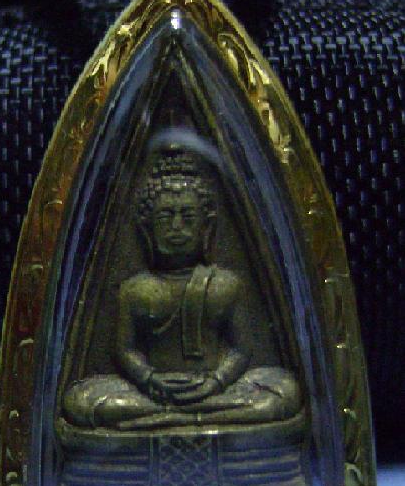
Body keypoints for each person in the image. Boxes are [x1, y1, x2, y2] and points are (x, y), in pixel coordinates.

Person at [62, 151, 302, 430]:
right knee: (79, 401)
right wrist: (149, 379)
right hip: (153, 392)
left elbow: (241, 348)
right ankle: (202, 417)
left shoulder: (225, 284)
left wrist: (216, 382)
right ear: (147, 229)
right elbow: (125, 350)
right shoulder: (134, 289)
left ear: (206, 227)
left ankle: (174, 418)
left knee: (286, 391)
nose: (177, 228)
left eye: (188, 217)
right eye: (165, 217)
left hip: (216, 390)